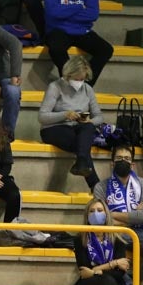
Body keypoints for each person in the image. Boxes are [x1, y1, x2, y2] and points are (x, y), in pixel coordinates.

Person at [93, 143, 143, 278]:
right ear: (112, 164)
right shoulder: (101, 187)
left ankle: (134, 279)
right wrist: (133, 216)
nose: (123, 161)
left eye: (127, 159)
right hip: (113, 233)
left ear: (132, 165)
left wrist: (112, 214)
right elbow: (99, 219)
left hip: (140, 231)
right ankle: (124, 284)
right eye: (119, 158)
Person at [43, 0, 113, 85]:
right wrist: (79, 7)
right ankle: (69, 83)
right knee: (56, 48)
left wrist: (64, 12)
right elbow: (53, 13)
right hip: (58, 30)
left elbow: (92, 14)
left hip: (82, 31)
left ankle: (84, 85)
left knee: (106, 50)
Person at [39, 56, 104, 189]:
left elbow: (99, 117)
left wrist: (89, 120)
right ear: (68, 75)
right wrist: (65, 114)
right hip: (55, 128)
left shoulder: (87, 89)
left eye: (82, 79)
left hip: (78, 127)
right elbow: (42, 117)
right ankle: (95, 184)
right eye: (76, 79)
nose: (79, 82)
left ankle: (83, 165)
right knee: (82, 144)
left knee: (88, 128)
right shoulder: (55, 87)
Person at [71, 197, 130, 285]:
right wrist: (113, 263)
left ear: (106, 214)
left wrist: (95, 271)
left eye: (99, 210)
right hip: (87, 284)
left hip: (110, 284)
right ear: (87, 216)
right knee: (105, 281)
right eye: (92, 211)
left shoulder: (117, 239)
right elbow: (84, 270)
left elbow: (120, 273)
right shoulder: (80, 239)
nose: (96, 214)